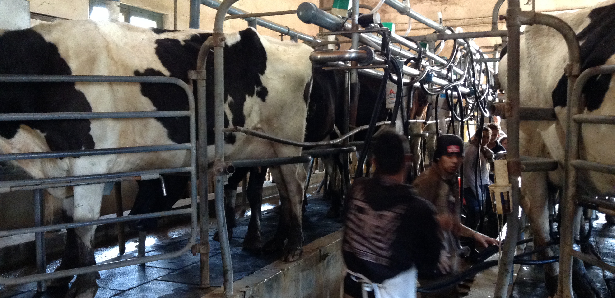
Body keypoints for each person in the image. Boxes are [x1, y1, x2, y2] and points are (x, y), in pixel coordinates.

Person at [342, 128, 442, 298]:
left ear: (374, 162)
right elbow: (428, 265)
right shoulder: (417, 209)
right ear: (408, 160)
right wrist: (435, 227)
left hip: (351, 290)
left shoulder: (356, 189)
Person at [413, 134, 499, 298]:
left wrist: (475, 235)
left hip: (448, 262)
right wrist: (434, 253)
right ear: (438, 157)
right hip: (433, 264)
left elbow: (452, 223)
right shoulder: (427, 182)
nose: (454, 161)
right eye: (449, 155)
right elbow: (412, 225)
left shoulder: (450, 181)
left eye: (458, 156)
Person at [463, 127, 495, 233]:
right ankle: (467, 237)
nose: (485, 139)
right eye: (482, 137)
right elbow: (468, 172)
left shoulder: (483, 150)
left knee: (484, 212)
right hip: (471, 186)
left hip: (482, 184)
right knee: (475, 212)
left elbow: (485, 171)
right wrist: (477, 191)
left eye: (487, 137)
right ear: (476, 137)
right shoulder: (472, 150)